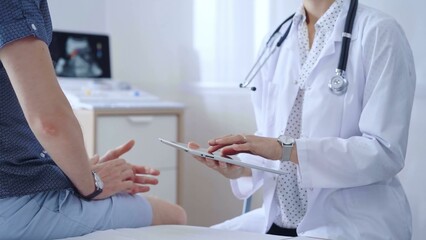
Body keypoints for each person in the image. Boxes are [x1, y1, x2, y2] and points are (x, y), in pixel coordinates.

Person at [189, 0, 415, 239]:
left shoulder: (379, 33)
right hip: (278, 219)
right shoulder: (276, 39)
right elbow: (272, 135)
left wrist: (286, 149)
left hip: (349, 222)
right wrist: (240, 166)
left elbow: (383, 151)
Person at [0, 1, 186, 239]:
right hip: (13, 203)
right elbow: (50, 122)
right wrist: (93, 185)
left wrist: (78, 171)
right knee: (174, 214)